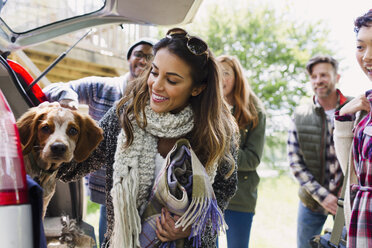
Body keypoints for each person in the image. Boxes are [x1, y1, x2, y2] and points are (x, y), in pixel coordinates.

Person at [54, 27, 239, 247]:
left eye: (172, 80)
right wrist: (50, 136)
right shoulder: (124, 116)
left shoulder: (216, 131)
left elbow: (223, 191)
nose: (156, 85)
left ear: (197, 88)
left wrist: (192, 226)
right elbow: (75, 165)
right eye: (154, 72)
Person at [43, 37, 157, 247]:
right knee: (109, 237)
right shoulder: (101, 87)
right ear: (129, 58)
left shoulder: (155, 99)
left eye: (150, 57)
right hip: (105, 185)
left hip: (141, 189)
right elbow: (56, 87)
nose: (143, 60)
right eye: (139, 54)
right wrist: (68, 99)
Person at [287, 55, 352, 248]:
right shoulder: (300, 114)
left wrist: (346, 191)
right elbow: (295, 163)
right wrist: (323, 197)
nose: (318, 81)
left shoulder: (356, 108)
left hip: (348, 202)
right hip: (312, 203)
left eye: (324, 75)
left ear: (337, 76)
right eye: (314, 76)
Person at [216, 55, 266, 248]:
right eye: (217, 73)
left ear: (237, 77)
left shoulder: (254, 111)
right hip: (210, 196)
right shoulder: (209, 107)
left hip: (240, 197)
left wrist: (220, 151)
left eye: (226, 73)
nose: (221, 79)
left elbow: (253, 159)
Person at [334, 9, 372, 248]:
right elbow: (351, 172)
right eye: (360, 47)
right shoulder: (365, 105)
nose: (367, 57)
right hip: (361, 223)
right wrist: (344, 118)